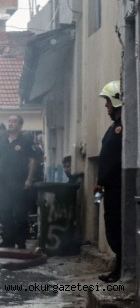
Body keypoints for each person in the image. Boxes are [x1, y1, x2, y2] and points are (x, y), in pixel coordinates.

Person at [0, 115, 36, 249]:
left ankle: (21, 240)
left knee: (19, 213)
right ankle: (8, 239)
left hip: (20, 182)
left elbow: (32, 160)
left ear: (20, 125)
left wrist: (29, 178)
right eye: (9, 121)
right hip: (4, 182)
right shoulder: (2, 141)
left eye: (14, 122)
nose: (11, 124)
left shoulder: (26, 141)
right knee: (4, 212)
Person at [96, 80, 123, 283]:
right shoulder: (114, 127)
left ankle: (121, 270)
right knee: (112, 226)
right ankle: (119, 268)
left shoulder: (123, 129)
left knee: (118, 227)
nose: (106, 106)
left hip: (119, 188)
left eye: (108, 102)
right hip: (110, 187)